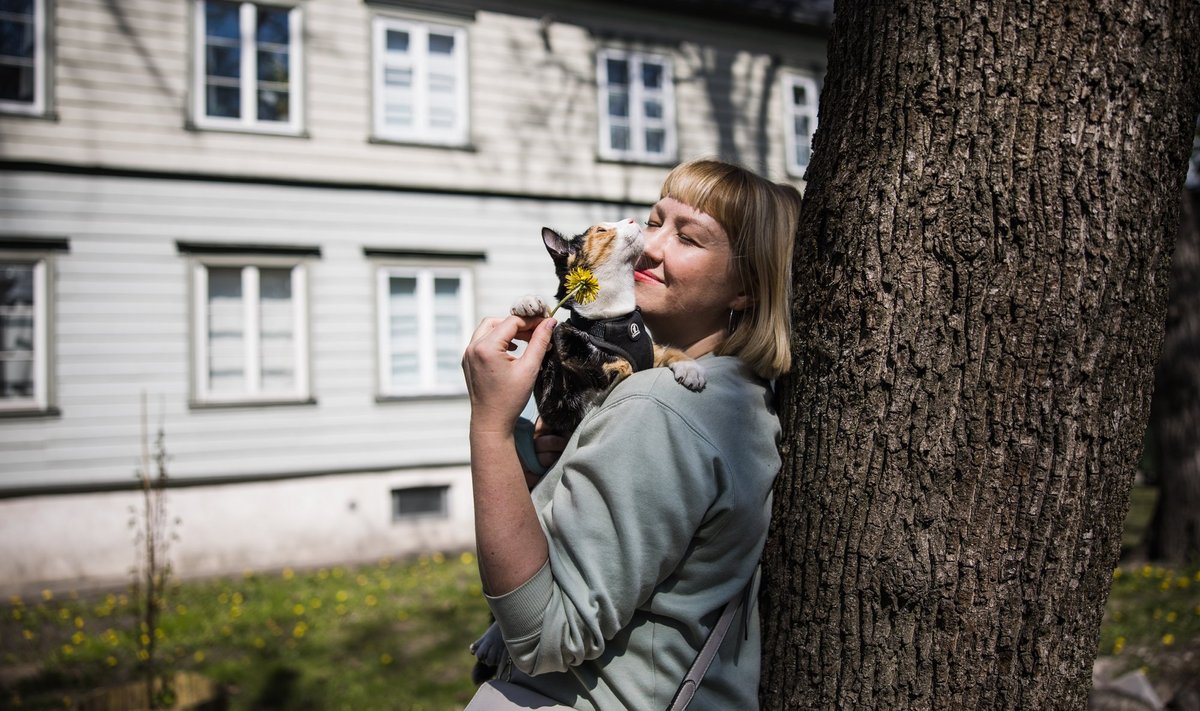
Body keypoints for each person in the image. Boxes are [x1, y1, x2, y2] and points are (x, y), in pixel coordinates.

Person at [461, 159, 801, 709]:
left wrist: (492, 428)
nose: (647, 246)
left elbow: (547, 634)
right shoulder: (738, 397)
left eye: (688, 238)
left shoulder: (662, 405)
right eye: (653, 220)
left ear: (747, 288)